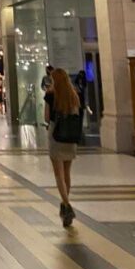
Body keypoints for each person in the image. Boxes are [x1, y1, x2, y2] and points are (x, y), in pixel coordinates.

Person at [45, 68, 82, 228]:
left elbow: (46, 117)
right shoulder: (73, 95)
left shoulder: (50, 95)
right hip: (71, 137)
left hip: (56, 136)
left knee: (58, 174)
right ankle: (65, 203)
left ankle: (66, 205)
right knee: (66, 172)